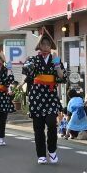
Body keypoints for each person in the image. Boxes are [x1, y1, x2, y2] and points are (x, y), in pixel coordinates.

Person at [24, 34, 67, 164]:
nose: (45, 47)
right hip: (37, 95)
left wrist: (57, 64)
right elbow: (27, 71)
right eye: (43, 44)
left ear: (51, 46)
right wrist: (28, 64)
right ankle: (41, 154)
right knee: (38, 127)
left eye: (48, 44)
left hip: (50, 95)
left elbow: (63, 77)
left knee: (52, 124)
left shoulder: (56, 59)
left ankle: (52, 151)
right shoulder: (33, 59)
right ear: (39, 46)